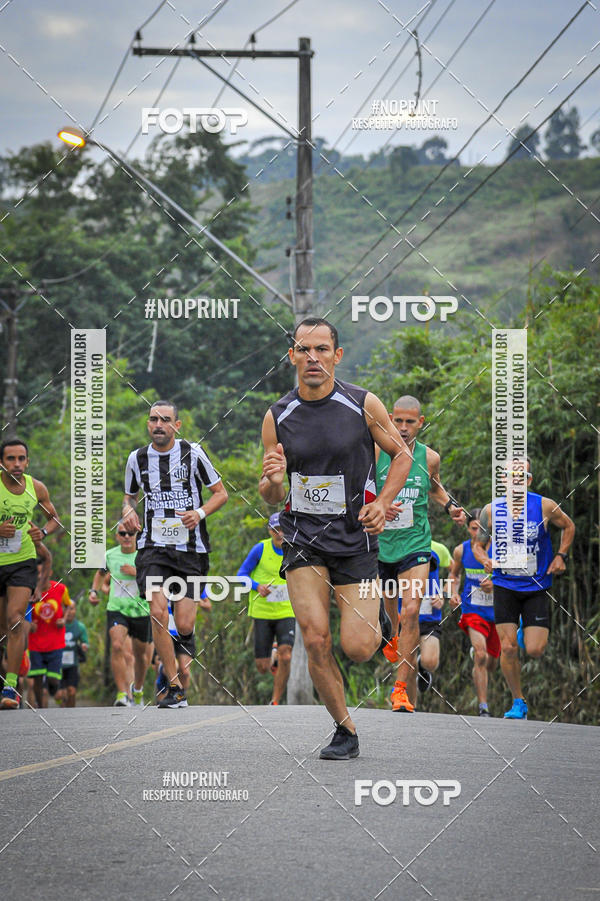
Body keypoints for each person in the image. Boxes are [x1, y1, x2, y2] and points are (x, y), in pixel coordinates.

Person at [260, 317, 412, 760]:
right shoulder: (277, 416)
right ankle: (344, 729)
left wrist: (382, 502)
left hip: (356, 539)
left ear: (337, 355)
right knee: (315, 637)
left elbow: (401, 457)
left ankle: (380, 625)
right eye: (304, 350)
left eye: (321, 349)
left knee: (359, 647)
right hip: (303, 538)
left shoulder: (362, 404)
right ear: (291, 356)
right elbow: (271, 491)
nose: (312, 358)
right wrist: (271, 481)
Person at [122, 400, 227, 709]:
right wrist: (127, 512)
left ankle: (174, 656)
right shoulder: (137, 459)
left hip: (192, 550)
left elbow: (221, 493)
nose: (158, 425)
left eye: (165, 420)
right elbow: (128, 498)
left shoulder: (193, 454)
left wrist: (199, 512)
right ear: (148, 423)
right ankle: (174, 684)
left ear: (176, 425)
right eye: (153, 419)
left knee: (183, 625)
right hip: (153, 547)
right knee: (157, 612)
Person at [376, 397, 465, 713]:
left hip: (416, 546)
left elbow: (435, 487)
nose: (402, 428)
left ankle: (400, 691)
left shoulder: (429, 457)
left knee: (412, 610)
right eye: (397, 421)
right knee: (392, 618)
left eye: (409, 422)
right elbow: (357, 489)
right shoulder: (376, 451)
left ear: (421, 422)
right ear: (389, 418)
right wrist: (377, 505)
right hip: (381, 546)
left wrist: (450, 505)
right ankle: (391, 632)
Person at [474, 460, 575, 719]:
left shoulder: (544, 506)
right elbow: (479, 544)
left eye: (521, 476)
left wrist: (561, 555)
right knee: (507, 648)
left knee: (534, 649)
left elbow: (568, 526)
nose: (515, 480)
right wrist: (485, 559)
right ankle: (518, 701)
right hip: (505, 585)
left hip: (536, 586)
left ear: (528, 480)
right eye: (509, 476)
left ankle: (523, 634)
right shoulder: (490, 510)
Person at [0, 438, 61, 709]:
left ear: (27, 461)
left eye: (21, 459)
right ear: (2, 461)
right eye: (11, 459)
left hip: (22, 562)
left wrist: (43, 532)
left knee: (15, 620)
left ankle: (11, 687)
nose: (16, 464)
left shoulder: (35, 488)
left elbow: (54, 518)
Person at [90, 523, 152, 707]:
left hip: (141, 610)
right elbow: (100, 574)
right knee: (117, 645)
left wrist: (137, 572)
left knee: (140, 656)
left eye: (131, 534)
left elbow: (157, 579)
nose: (127, 537)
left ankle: (138, 690)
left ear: (137, 536)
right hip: (117, 609)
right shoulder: (109, 555)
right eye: (123, 533)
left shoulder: (145, 555)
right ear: (117, 536)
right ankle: (122, 693)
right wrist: (93, 591)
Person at [237, 512, 295, 705]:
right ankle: (272, 653)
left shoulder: (295, 549)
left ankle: (275, 701)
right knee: (262, 667)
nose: (280, 533)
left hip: (287, 610)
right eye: (275, 530)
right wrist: (256, 586)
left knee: (286, 654)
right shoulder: (260, 549)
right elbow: (241, 575)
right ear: (270, 531)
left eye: (283, 529)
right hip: (262, 612)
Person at [449, 510, 499, 716]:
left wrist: (494, 585)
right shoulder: (461, 551)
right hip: (473, 610)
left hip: (498, 612)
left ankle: (482, 657)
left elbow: (516, 578)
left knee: (492, 663)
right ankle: (483, 707)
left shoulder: (500, 550)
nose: (478, 532)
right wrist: (452, 593)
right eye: (474, 528)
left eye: (482, 528)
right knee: (481, 655)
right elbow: (454, 574)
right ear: (468, 529)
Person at [395, 539, 453, 708]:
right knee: (409, 664)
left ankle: (423, 666)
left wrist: (444, 593)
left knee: (430, 662)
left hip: (430, 615)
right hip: (405, 615)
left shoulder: (438, 548)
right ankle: (410, 705)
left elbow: (454, 572)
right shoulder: (396, 546)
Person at [28, 559, 72, 708]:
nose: (40, 577)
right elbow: (20, 610)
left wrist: (64, 619)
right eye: (37, 573)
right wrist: (28, 624)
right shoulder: (29, 591)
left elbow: (69, 606)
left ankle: (54, 690)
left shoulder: (60, 588)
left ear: (50, 573)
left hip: (56, 642)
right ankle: (41, 708)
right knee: (37, 677)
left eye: (43, 573)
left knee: (53, 680)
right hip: (35, 642)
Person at [56, 600, 89, 708]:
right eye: (66, 608)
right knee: (59, 695)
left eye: (72, 609)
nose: (69, 612)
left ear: (75, 610)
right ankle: (61, 709)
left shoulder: (80, 627)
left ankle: (71, 713)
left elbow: (85, 642)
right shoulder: (57, 625)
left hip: (72, 665)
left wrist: (84, 646)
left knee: (72, 692)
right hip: (57, 664)